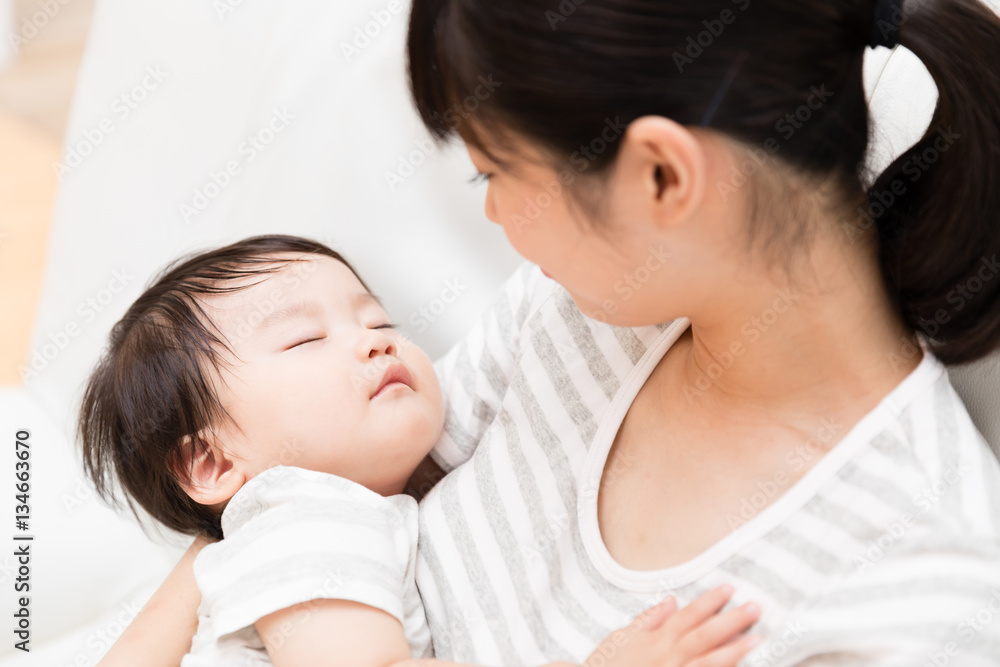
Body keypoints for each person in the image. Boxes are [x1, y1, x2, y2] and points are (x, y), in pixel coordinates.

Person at [97, 0, 1000, 664]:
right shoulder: (569, 318)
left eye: (493, 170)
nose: (493, 217)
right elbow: (298, 491)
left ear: (661, 176)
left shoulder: (915, 591)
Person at [81, 234, 762, 666]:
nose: (374, 340)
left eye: (379, 320)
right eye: (304, 341)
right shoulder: (300, 519)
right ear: (213, 462)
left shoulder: (352, 513)